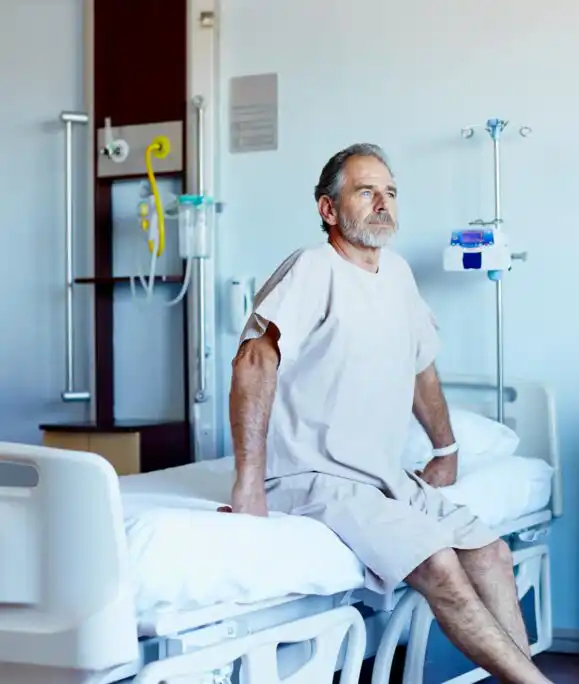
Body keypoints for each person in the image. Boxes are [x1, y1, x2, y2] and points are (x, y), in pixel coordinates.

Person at [223, 143, 554, 684]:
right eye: (366, 191)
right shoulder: (313, 267)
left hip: (383, 476)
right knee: (439, 564)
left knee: (491, 554)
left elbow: (420, 366)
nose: (383, 203)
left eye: (390, 192)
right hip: (315, 476)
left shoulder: (397, 274)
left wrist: (446, 450)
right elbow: (254, 361)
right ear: (329, 209)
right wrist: (248, 484)